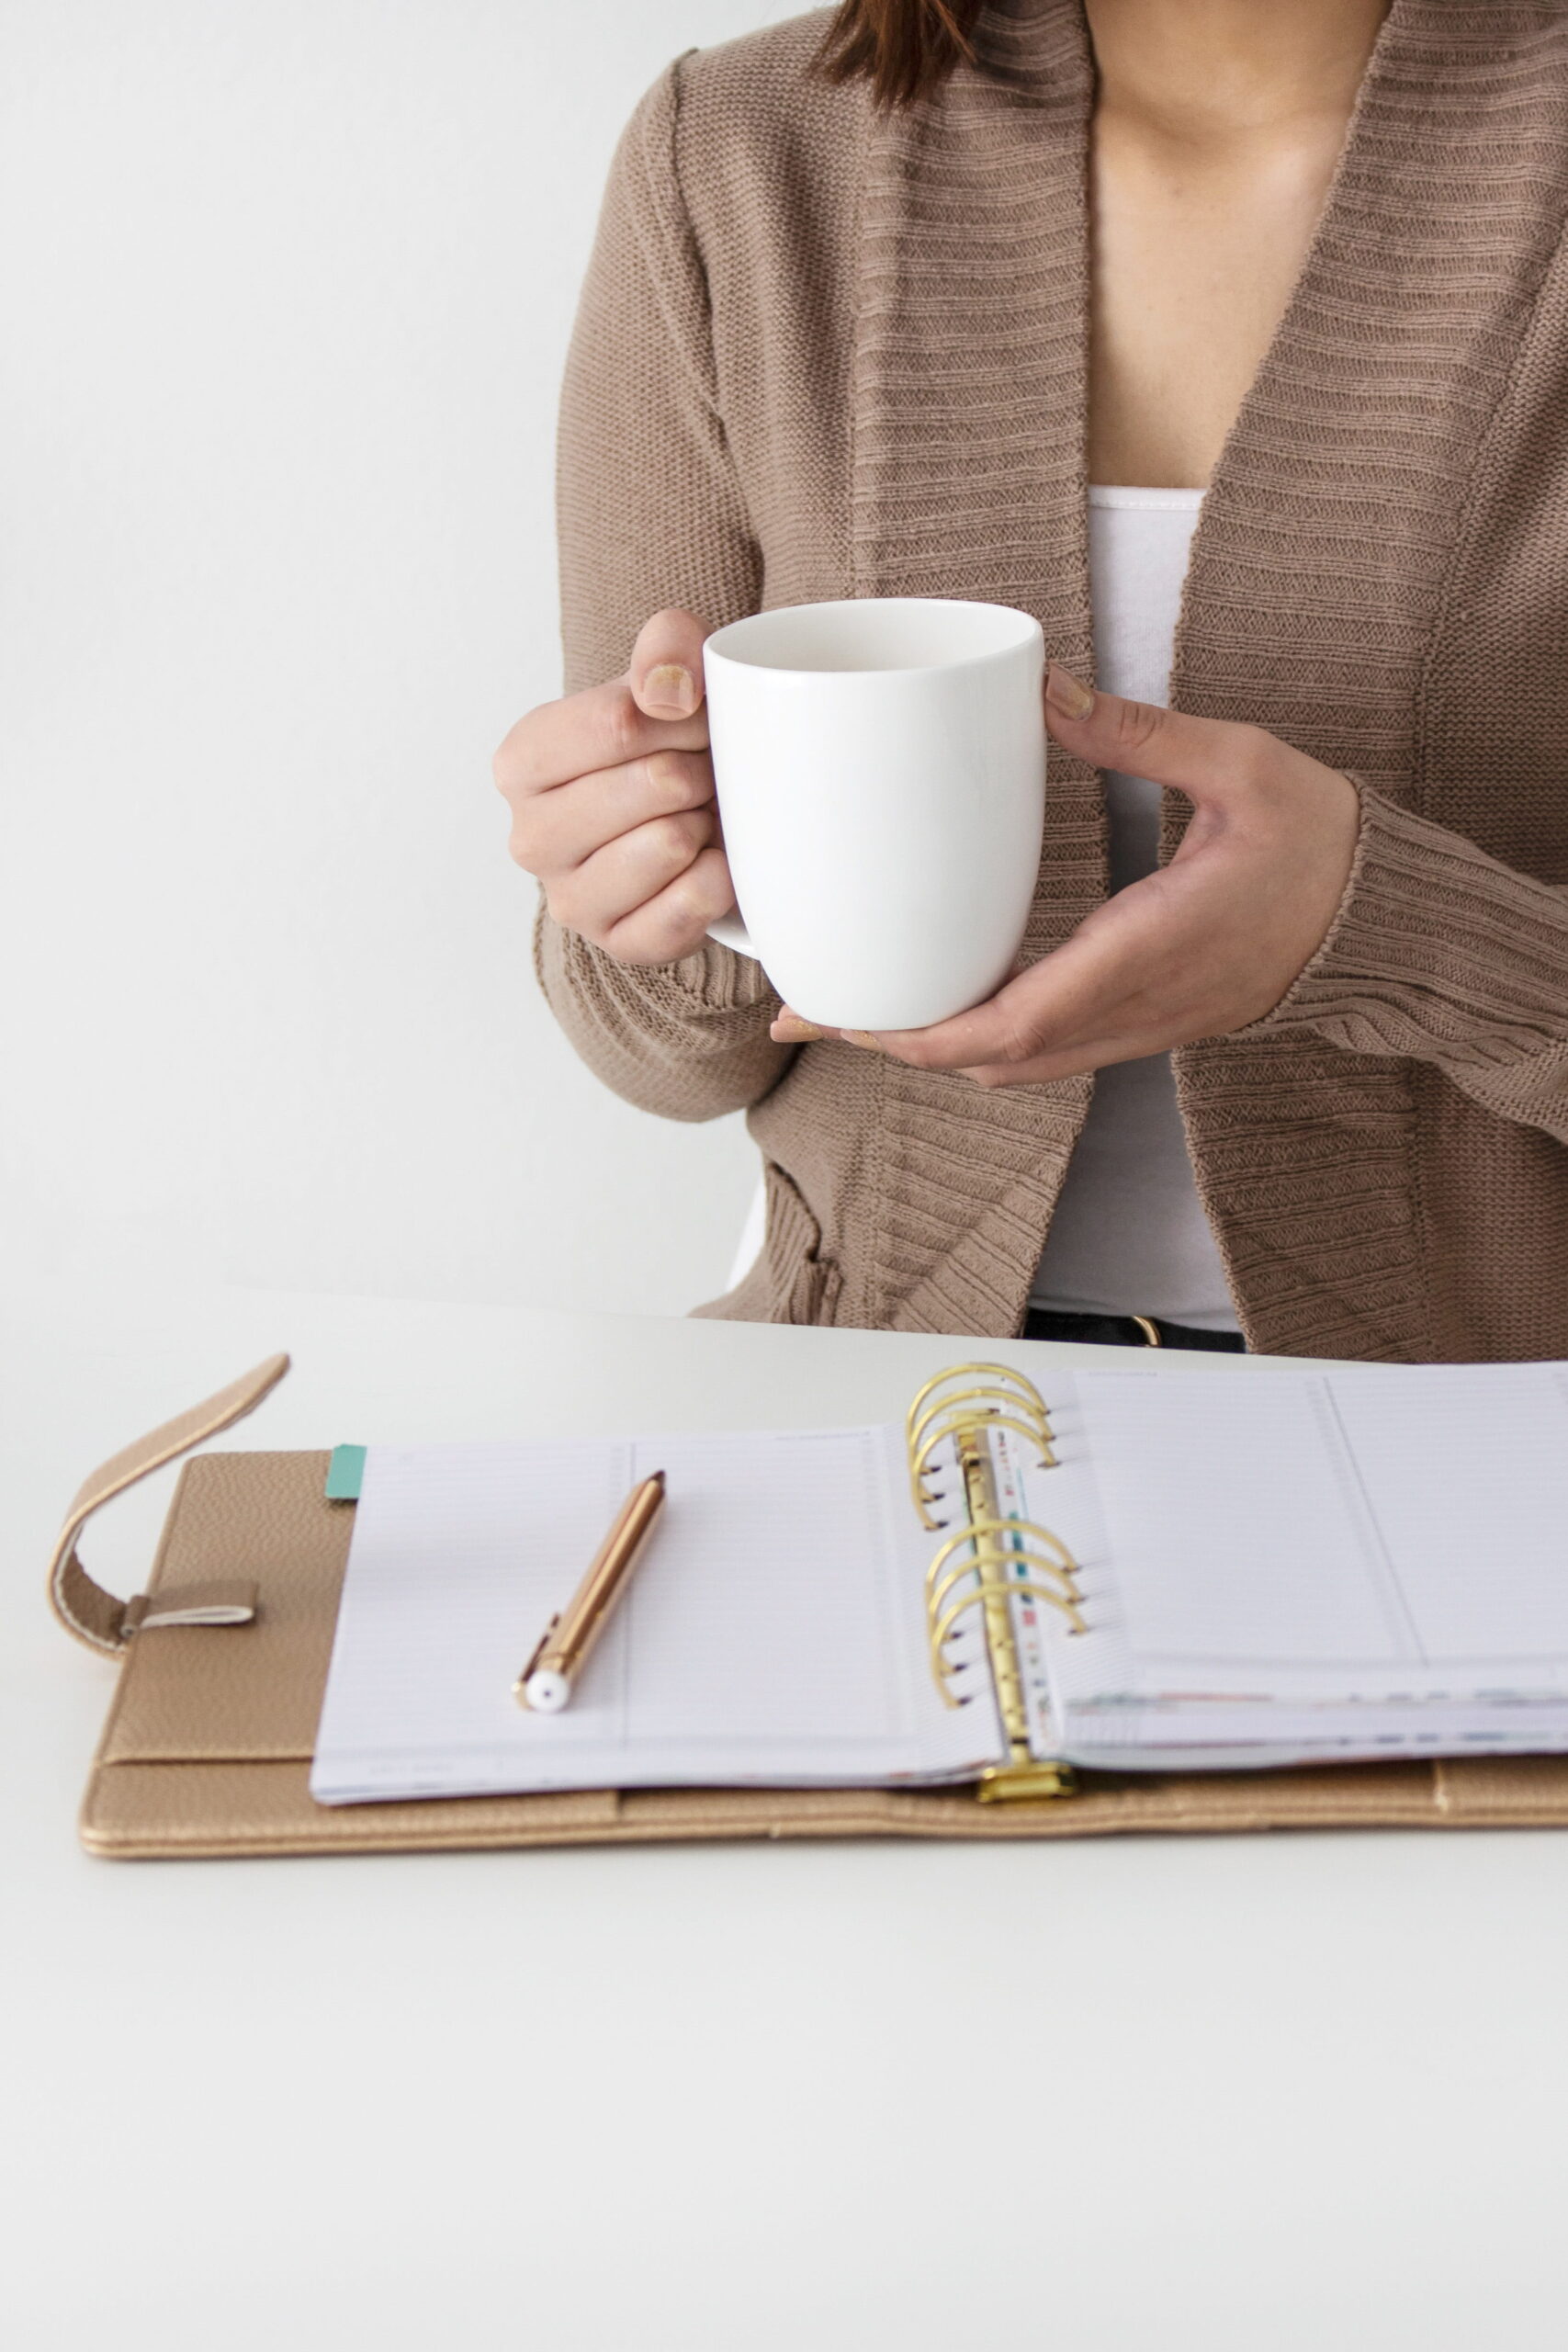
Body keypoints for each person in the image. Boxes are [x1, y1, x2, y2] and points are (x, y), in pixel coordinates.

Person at [494, 0, 1568, 1361]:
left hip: (1502, 1435)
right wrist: (653, 889)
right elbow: (659, 1059)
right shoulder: (744, 156)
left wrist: (1392, 932)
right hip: (897, 1412)